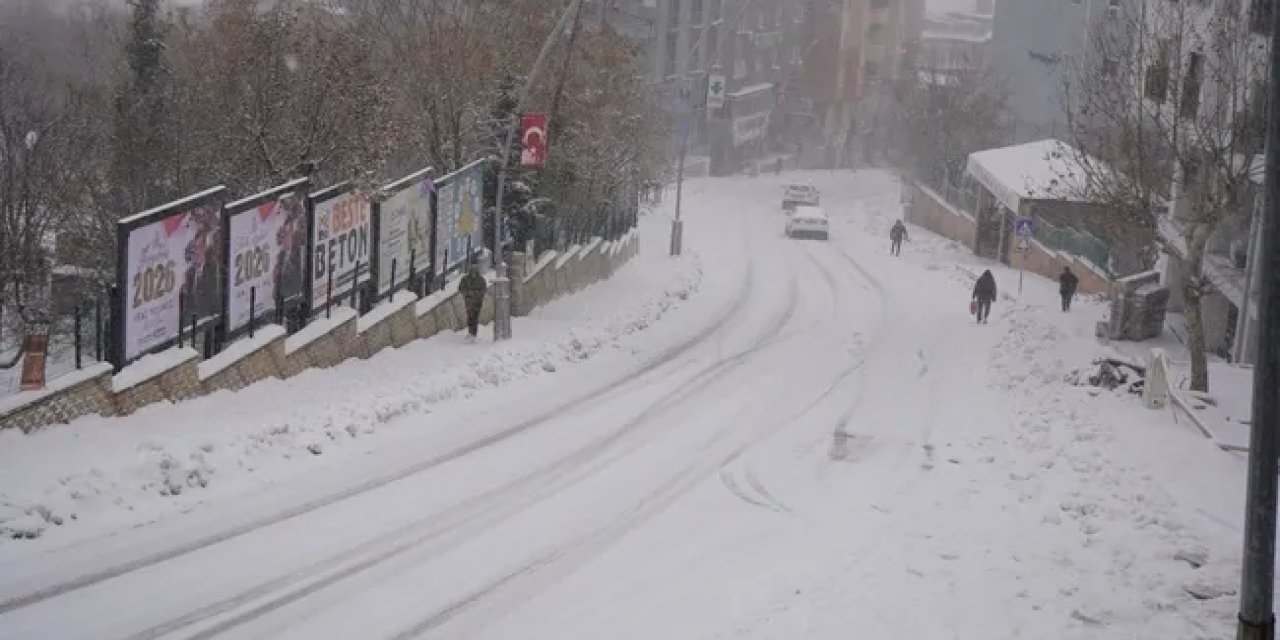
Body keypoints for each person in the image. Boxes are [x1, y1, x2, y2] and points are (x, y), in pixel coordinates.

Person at [459, 266, 488, 342]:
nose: (473, 274)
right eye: (472, 272)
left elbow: (483, 290)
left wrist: (475, 294)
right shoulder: (465, 279)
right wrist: (468, 293)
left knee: (475, 317)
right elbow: (461, 289)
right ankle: (470, 332)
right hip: (468, 302)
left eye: (475, 272)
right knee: (470, 317)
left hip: (477, 302)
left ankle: (473, 333)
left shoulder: (481, 280)